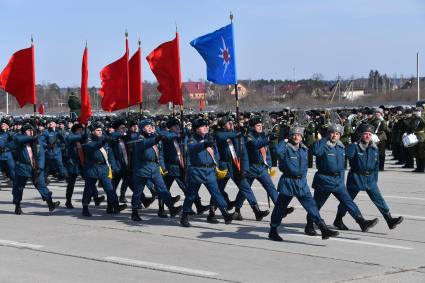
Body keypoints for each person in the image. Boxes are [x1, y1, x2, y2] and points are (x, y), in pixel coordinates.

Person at [305, 123, 378, 236]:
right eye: (333, 133)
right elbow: (315, 151)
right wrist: (324, 138)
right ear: (329, 134)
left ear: (340, 136)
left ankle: (361, 221)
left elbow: (342, 167)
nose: (335, 135)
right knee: (317, 205)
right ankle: (309, 226)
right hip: (324, 181)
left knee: (348, 201)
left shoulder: (341, 147)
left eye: (337, 134)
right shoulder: (323, 145)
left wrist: (342, 181)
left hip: (338, 181)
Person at [268, 126, 339, 241]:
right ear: (291, 136)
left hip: (301, 183)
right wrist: (284, 140)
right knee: (280, 208)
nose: (296, 137)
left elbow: (305, 167)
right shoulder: (285, 148)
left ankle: (323, 228)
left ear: (302, 137)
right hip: (288, 182)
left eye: (299, 135)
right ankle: (273, 230)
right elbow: (277, 151)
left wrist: (303, 179)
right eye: (294, 135)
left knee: (312, 206)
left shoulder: (304, 149)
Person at [334, 124, 403, 230]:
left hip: (370, 178)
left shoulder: (374, 148)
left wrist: (375, 180)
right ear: (361, 135)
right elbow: (346, 157)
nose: (367, 136)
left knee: (379, 199)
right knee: (347, 200)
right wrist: (350, 145)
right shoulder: (354, 146)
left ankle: (389, 219)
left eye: (370, 134)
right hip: (356, 178)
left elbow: (376, 166)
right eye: (365, 134)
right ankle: (338, 219)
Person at [211, 115, 269, 222]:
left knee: (246, 188)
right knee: (218, 190)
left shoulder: (238, 135)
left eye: (232, 123)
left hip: (236, 166)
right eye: (229, 123)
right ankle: (212, 212)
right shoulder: (220, 134)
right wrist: (235, 134)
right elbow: (221, 137)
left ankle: (256, 210)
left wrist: (245, 169)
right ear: (223, 125)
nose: (231, 124)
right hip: (224, 166)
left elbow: (244, 153)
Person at [180, 118, 234, 227]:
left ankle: (225, 214)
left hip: (209, 171)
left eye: (206, 126)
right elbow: (192, 148)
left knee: (216, 193)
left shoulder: (209, 138)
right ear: (196, 129)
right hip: (196, 171)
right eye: (202, 126)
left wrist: (216, 163)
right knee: (191, 195)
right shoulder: (192, 140)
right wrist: (204, 144)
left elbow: (216, 153)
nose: (206, 127)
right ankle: (185, 216)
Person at [130, 119, 182, 221]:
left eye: (152, 126)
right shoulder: (139, 138)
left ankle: (171, 208)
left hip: (154, 167)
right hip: (142, 168)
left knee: (163, 189)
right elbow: (145, 144)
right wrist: (156, 139)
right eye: (147, 126)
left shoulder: (155, 136)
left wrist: (162, 166)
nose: (150, 128)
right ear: (142, 128)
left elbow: (161, 149)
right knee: (138, 191)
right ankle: (134, 211)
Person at [12, 123, 60, 214]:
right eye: (27, 130)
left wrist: (39, 168)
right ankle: (17, 206)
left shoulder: (38, 141)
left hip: (36, 167)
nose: (30, 132)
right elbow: (18, 139)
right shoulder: (19, 138)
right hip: (23, 167)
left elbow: (41, 155)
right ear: (24, 132)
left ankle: (50, 203)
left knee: (41, 185)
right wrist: (32, 138)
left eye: (31, 130)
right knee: (18, 187)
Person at [81, 122, 126, 217]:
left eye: (101, 130)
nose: (100, 132)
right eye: (97, 130)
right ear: (92, 131)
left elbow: (109, 154)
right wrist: (103, 141)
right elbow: (93, 146)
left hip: (104, 168)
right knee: (89, 190)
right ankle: (85, 207)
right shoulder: (88, 140)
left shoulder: (104, 139)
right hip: (92, 168)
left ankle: (115, 205)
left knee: (110, 188)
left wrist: (113, 167)